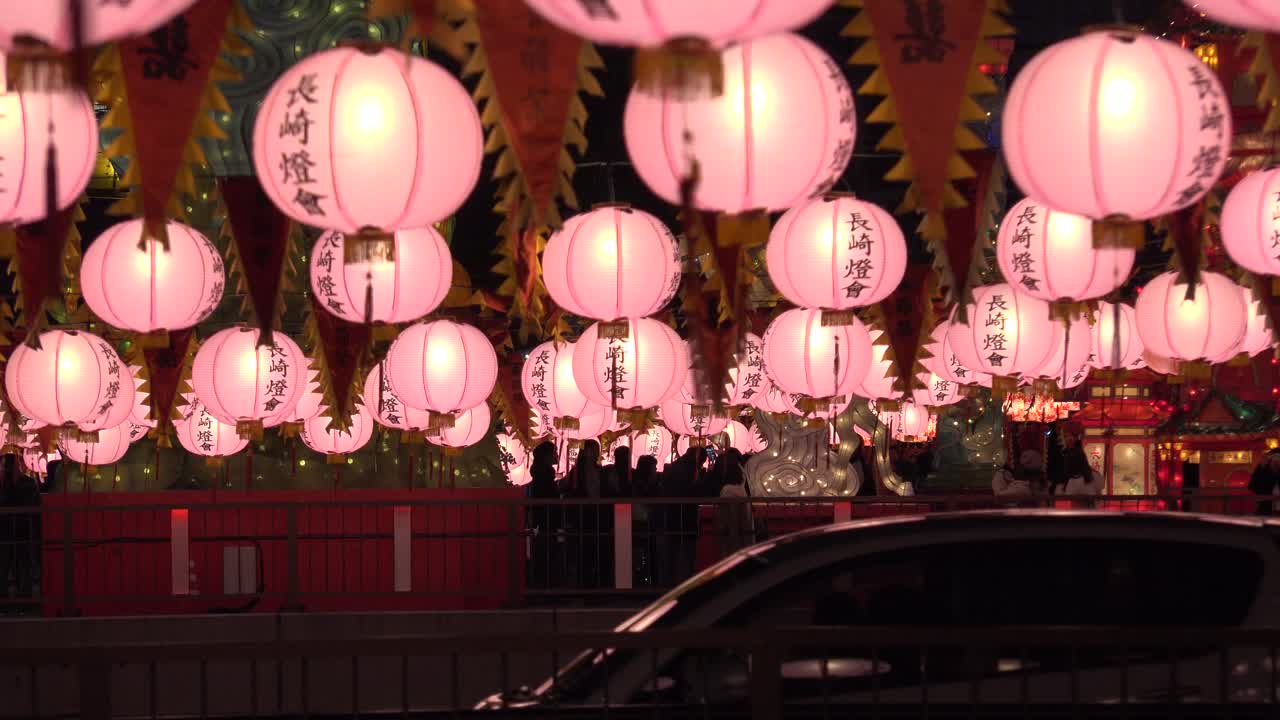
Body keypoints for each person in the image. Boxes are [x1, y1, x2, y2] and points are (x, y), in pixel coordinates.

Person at [526, 441, 559, 590]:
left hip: (543, 519)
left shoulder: (541, 474)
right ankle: (546, 586)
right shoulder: (544, 476)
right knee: (546, 553)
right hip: (546, 519)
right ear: (547, 456)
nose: (557, 455)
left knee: (544, 552)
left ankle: (542, 585)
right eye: (554, 452)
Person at [714, 449, 754, 556]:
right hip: (744, 508)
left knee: (728, 538)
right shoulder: (742, 471)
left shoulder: (724, 479)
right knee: (743, 536)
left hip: (727, 512)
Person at [1248, 449, 1280, 516]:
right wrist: (1261, 467)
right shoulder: (1263, 470)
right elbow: (1252, 486)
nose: (1276, 461)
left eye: (1278, 458)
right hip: (1266, 509)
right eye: (1274, 458)